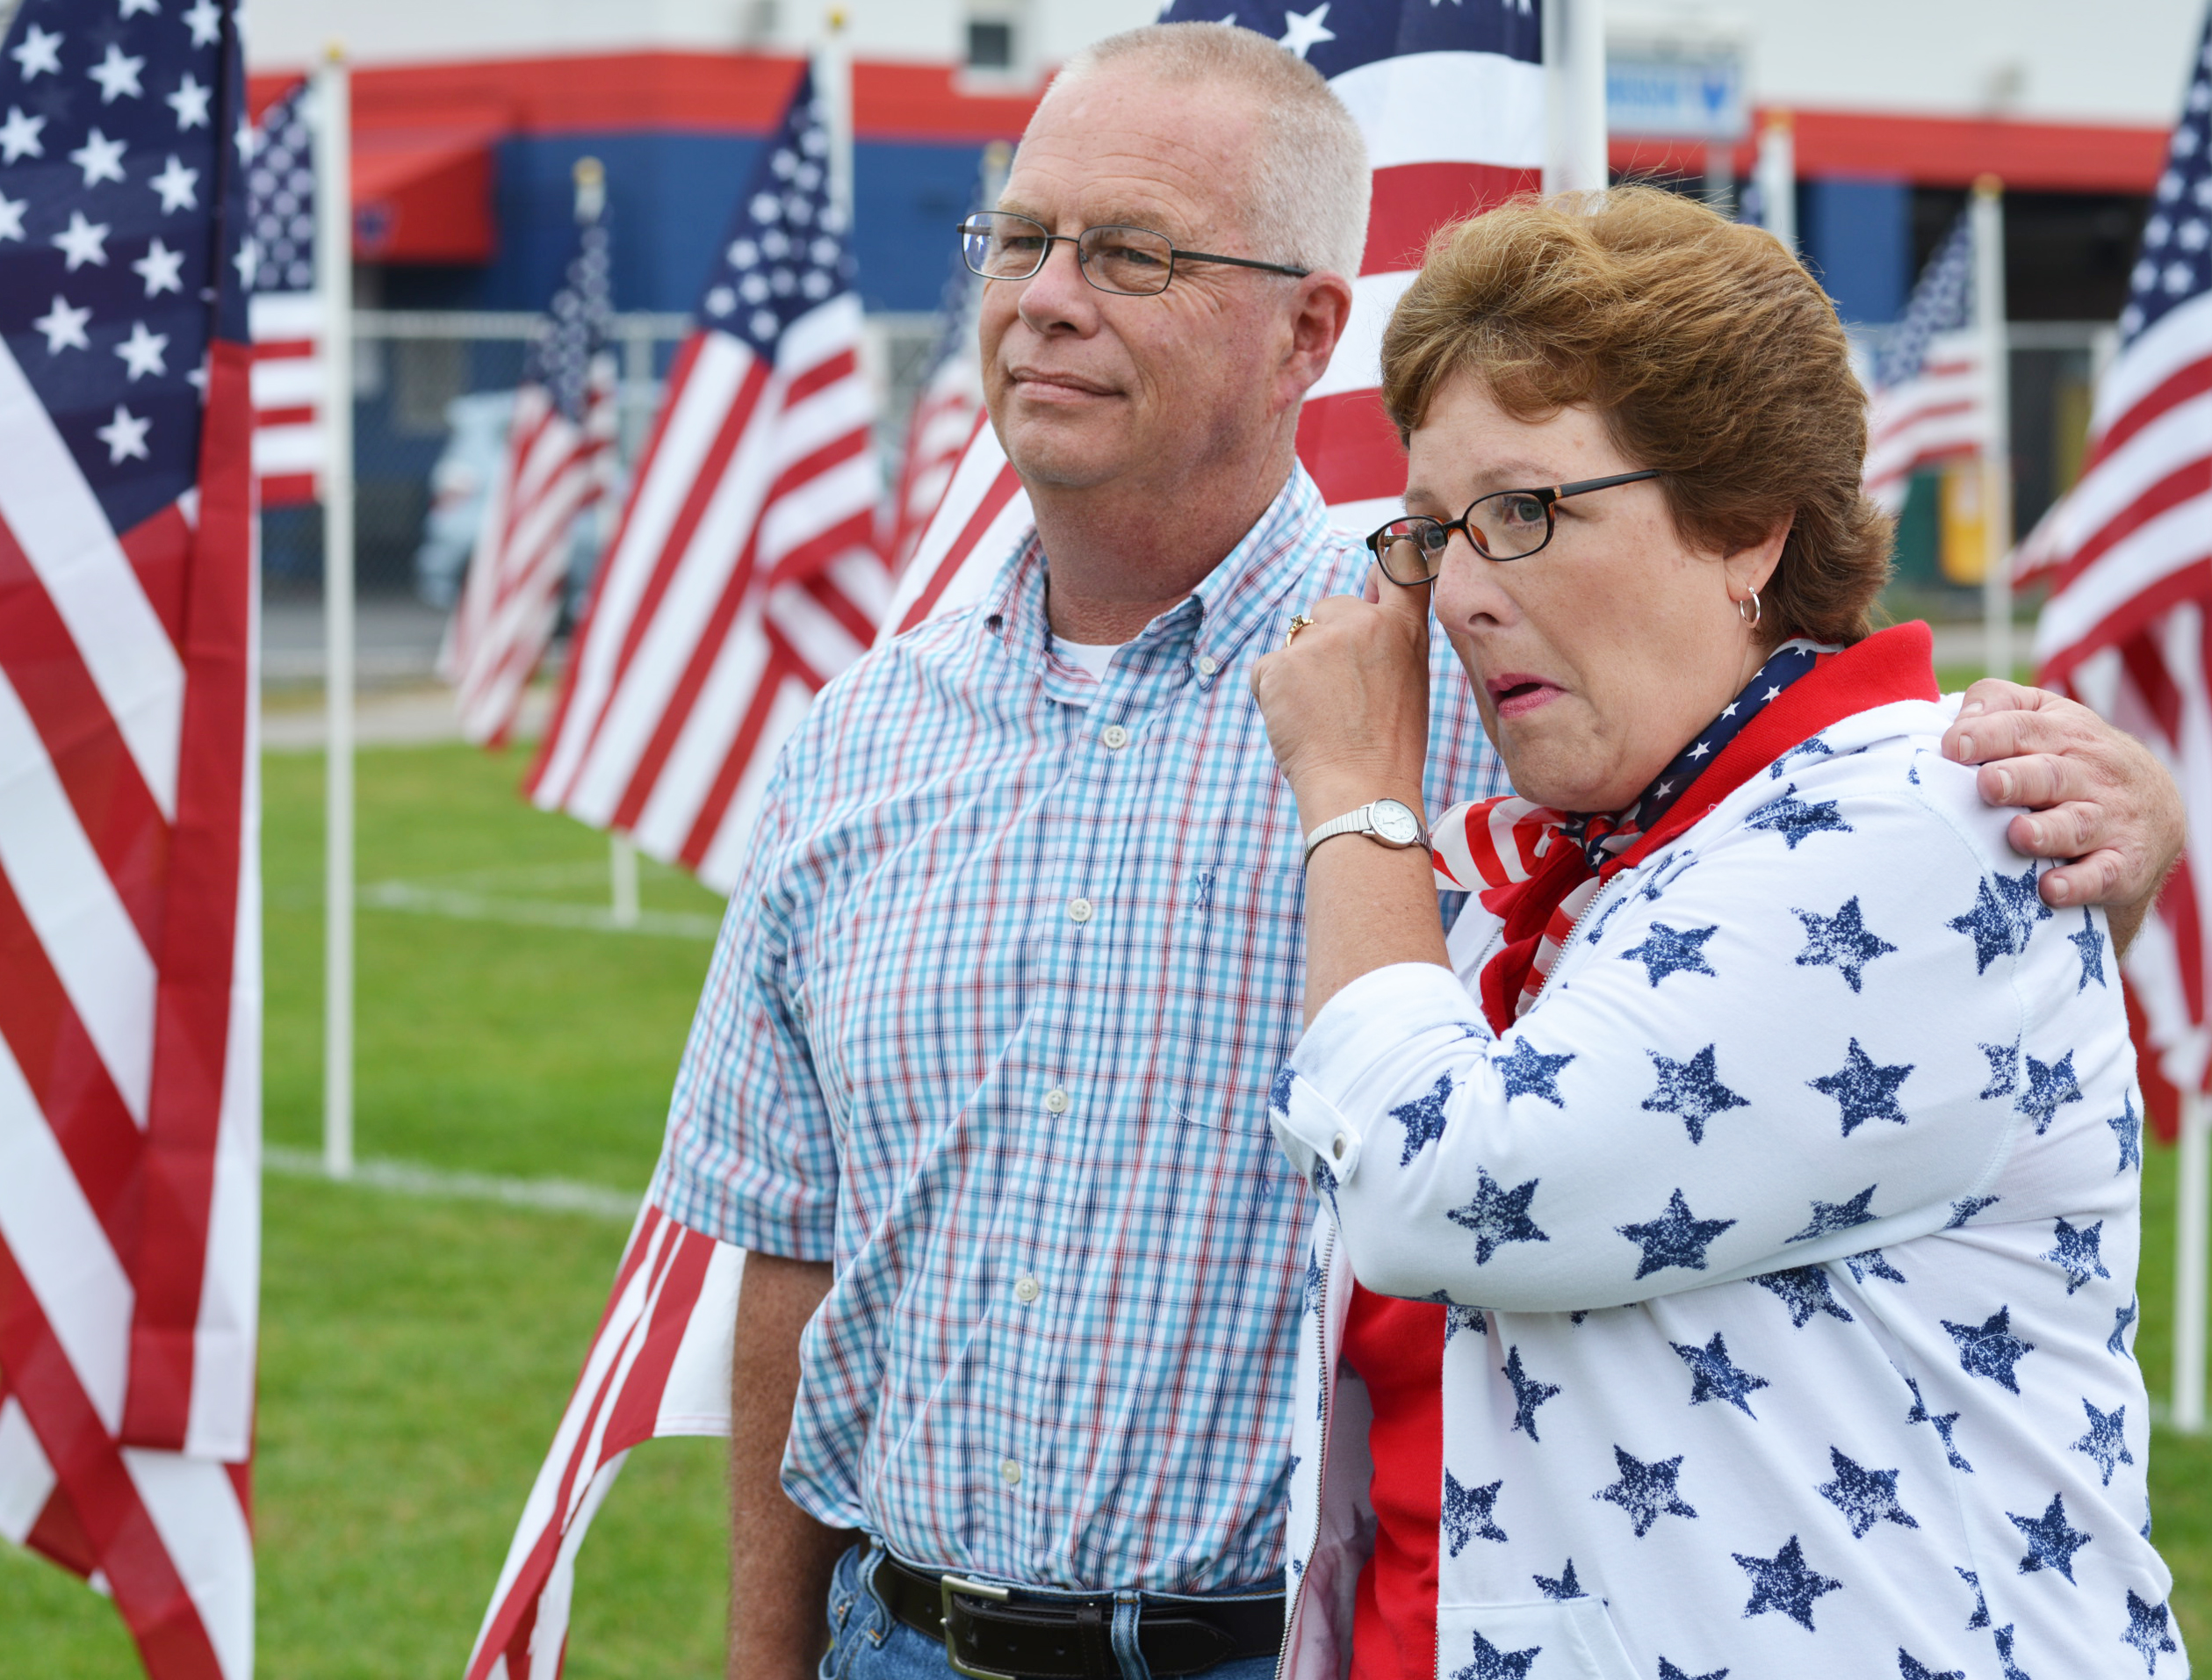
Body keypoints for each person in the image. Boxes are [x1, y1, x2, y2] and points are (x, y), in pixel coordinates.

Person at [651, 25, 2181, 1680]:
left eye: (1134, 251)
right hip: (915, 1631)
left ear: (1312, 321)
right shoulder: (859, 736)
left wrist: (2110, 805)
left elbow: (1783, 733)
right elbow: (789, 1242)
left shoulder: (1472, 692)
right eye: (1020, 239)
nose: (1049, 296)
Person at [1253, 185, 2181, 1680]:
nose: (1464, 595)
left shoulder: (1910, 828)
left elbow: (1444, 1185)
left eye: (1525, 511)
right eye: (1434, 531)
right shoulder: (1620, 853)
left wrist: (1356, 800)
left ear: (1747, 524)